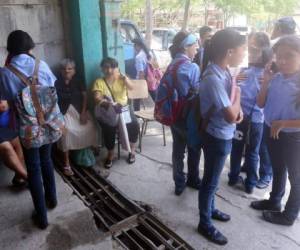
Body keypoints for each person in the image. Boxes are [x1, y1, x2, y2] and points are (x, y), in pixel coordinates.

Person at [0, 30, 57, 229]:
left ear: (10, 49)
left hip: (27, 130)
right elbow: (52, 88)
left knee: (33, 169)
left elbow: (6, 101)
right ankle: (52, 199)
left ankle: (41, 217)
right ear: (30, 47)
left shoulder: (5, 73)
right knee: (47, 160)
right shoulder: (42, 65)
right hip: (48, 123)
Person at [198, 28, 246, 245]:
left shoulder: (225, 70)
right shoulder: (213, 78)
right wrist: (239, 98)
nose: (243, 53)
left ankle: (211, 208)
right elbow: (230, 115)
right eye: (242, 49)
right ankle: (204, 223)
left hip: (223, 134)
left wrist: (238, 108)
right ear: (229, 51)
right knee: (209, 181)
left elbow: (233, 108)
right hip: (216, 137)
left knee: (214, 180)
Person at [251, 35, 300, 226]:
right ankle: (274, 202)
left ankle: (289, 215)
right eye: (279, 56)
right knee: (278, 169)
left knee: (296, 177)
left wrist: (284, 123)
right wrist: (265, 81)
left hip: (293, 138)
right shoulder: (276, 77)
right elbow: (261, 103)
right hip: (271, 130)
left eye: (289, 56)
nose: (283, 61)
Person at [228, 32, 273, 194]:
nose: (250, 53)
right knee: (251, 151)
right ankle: (250, 183)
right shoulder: (265, 75)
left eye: (253, 50)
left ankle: (234, 177)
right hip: (254, 119)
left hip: (244, 116)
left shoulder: (247, 73)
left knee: (238, 148)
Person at [165, 31, 201, 196]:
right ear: (186, 46)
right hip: (188, 117)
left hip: (173, 114)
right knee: (194, 148)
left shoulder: (172, 64)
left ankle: (179, 183)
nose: (197, 48)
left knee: (178, 150)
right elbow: (195, 93)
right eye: (195, 45)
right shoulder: (191, 67)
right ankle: (193, 179)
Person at [92, 57, 139, 168]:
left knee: (134, 124)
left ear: (117, 68)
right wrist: (105, 102)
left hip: (124, 108)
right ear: (102, 68)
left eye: (112, 67)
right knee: (108, 129)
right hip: (109, 110)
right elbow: (97, 97)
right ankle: (110, 154)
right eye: (106, 67)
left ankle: (132, 150)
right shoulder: (99, 82)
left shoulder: (122, 79)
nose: (109, 70)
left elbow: (132, 88)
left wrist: (125, 79)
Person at [55, 59, 98, 176]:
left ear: (74, 70)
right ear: (60, 71)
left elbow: (85, 97)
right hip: (64, 112)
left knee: (90, 127)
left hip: (79, 110)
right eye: (64, 69)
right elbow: (54, 101)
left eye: (70, 69)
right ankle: (66, 163)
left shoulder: (78, 80)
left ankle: (89, 152)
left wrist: (83, 112)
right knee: (66, 132)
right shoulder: (56, 82)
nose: (67, 71)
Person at [0, 100, 27, 186]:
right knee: (6, 147)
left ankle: (19, 176)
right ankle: (29, 178)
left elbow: (4, 105)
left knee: (15, 140)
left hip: (4, 128)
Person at [132, 38, 151, 110]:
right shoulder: (147, 53)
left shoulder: (138, 57)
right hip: (149, 79)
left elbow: (141, 72)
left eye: (134, 46)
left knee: (136, 101)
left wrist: (141, 85)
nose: (134, 48)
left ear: (138, 46)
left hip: (140, 80)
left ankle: (137, 115)